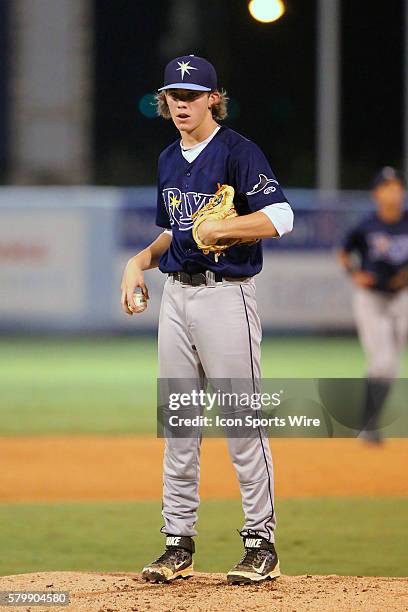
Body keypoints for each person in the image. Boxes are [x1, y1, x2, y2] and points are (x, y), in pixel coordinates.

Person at [121, 54, 294, 584]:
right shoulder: (168, 159)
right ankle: (178, 542)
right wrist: (138, 262)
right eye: (175, 95)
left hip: (226, 298)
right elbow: (176, 232)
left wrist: (229, 228)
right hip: (177, 297)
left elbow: (281, 216)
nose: (182, 104)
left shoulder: (239, 152)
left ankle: (260, 543)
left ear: (213, 98)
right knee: (179, 425)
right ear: (164, 99)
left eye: (193, 96)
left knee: (241, 423)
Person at [338, 167, 408, 443]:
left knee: (390, 366)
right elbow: (344, 252)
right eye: (386, 187)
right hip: (372, 299)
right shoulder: (366, 225)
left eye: (396, 186)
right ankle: (368, 425)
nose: (393, 191)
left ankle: (370, 424)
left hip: (402, 296)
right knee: (382, 362)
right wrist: (356, 274)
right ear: (376, 194)